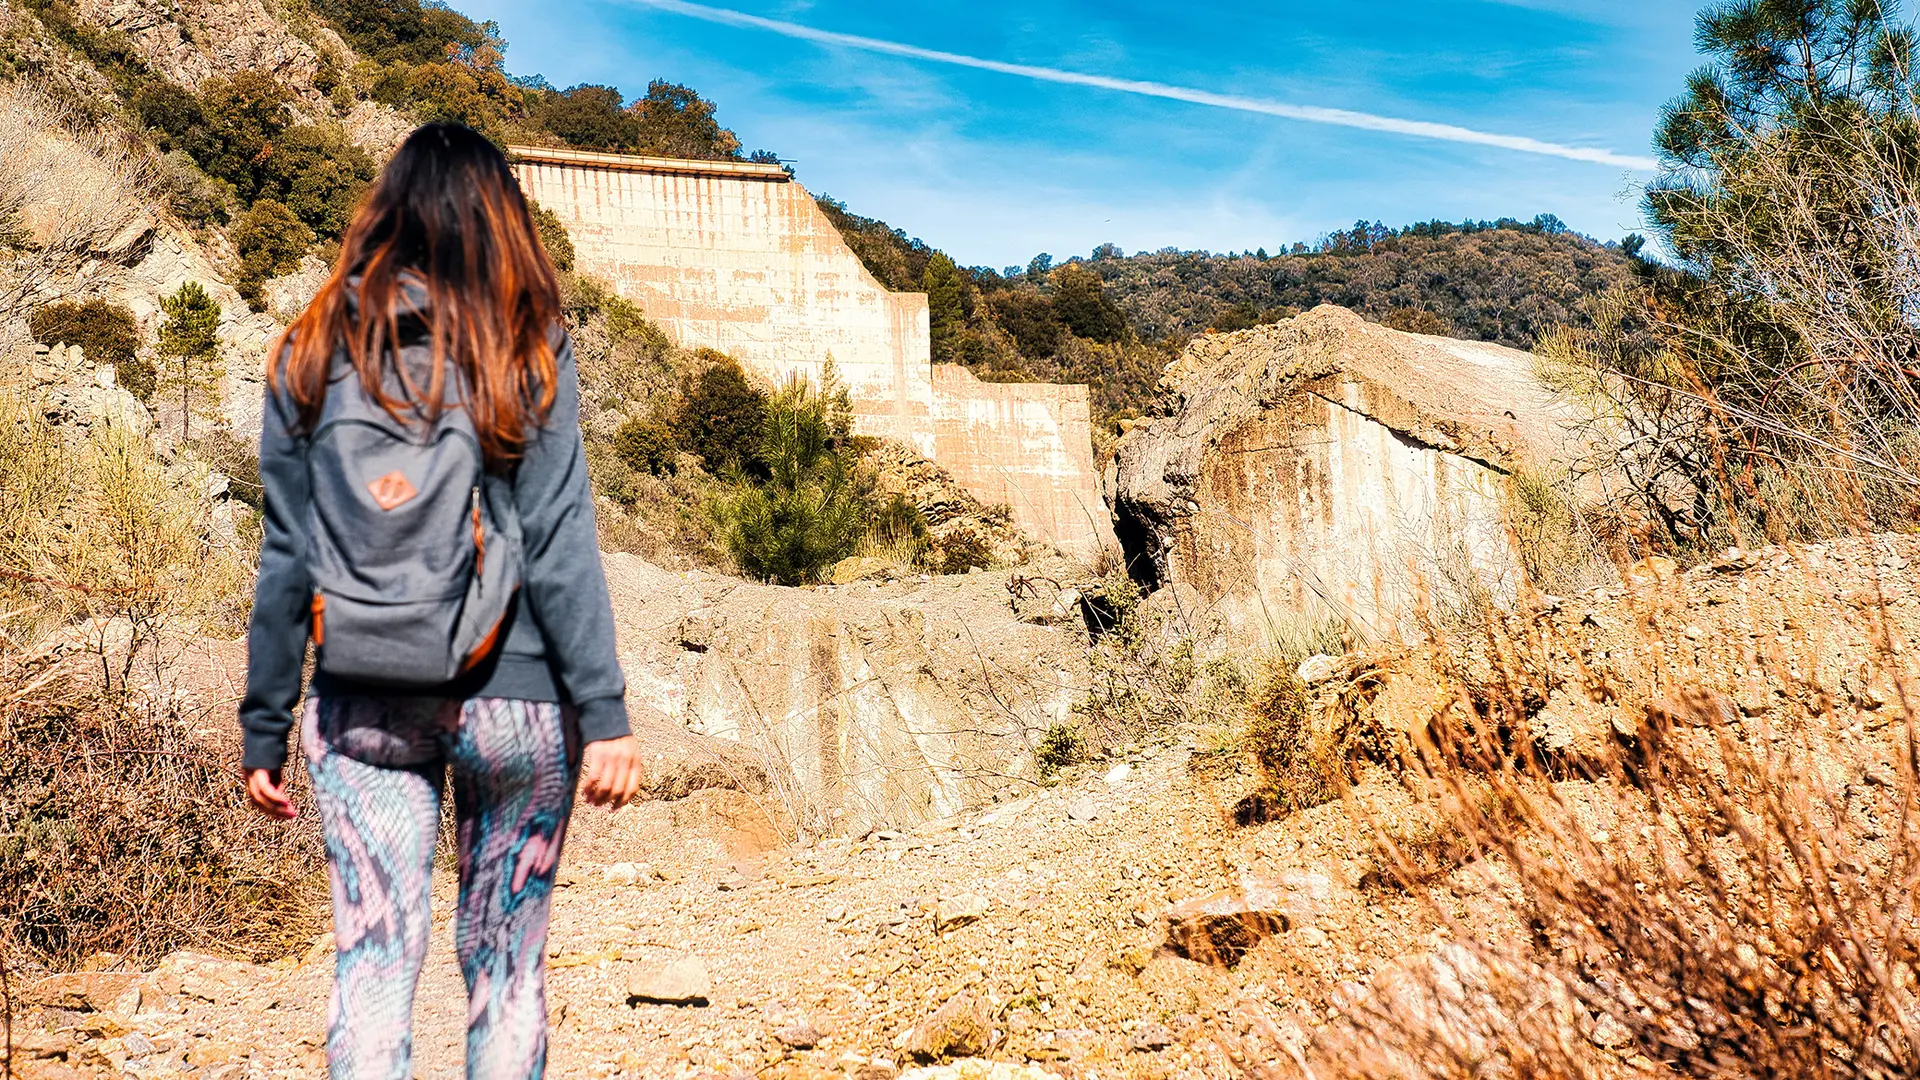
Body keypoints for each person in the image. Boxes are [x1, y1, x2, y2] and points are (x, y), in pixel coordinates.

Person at [238, 122, 644, 1080]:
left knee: (375, 962)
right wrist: (607, 710)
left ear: (384, 214)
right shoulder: (525, 340)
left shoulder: (310, 346)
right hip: (520, 699)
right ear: (502, 220)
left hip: (363, 690)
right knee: (506, 965)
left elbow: (288, 551)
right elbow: (556, 532)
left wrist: (265, 720)